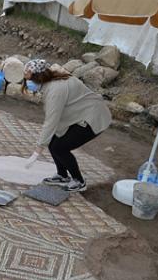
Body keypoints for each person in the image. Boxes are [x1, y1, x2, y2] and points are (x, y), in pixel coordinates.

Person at [25, 58, 112, 192]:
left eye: (28, 78)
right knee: (54, 142)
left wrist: (37, 151)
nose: (26, 81)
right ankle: (62, 176)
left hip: (93, 117)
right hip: (81, 114)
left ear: (38, 77)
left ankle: (79, 181)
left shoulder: (55, 90)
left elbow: (51, 121)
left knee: (60, 147)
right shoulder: (51, 79)